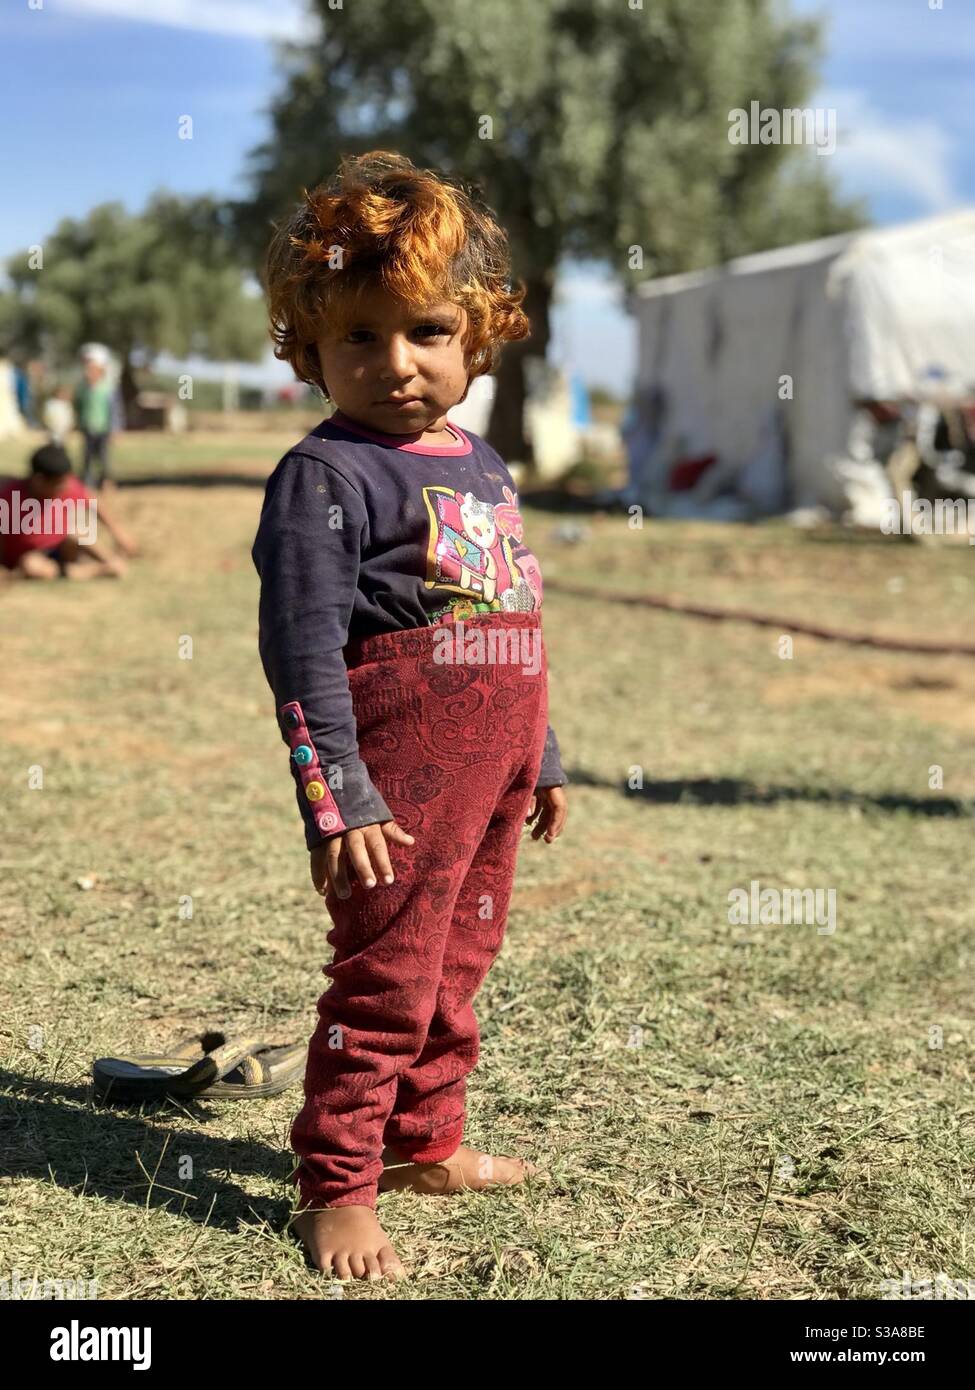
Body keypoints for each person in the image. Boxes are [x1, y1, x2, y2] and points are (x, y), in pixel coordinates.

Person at [253, 150, 569, 1283]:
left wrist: (546, 752)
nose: (397, 363)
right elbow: (301, 650)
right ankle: (334, 1181)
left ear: (476, 337)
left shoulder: (481, 462)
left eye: (427, 331)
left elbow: (510, 605)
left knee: (460, 964)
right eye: (359, 338)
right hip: (396, 783)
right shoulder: (324, 477)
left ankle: (423, 1142)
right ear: (310, 350)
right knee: (386, 976)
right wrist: (335, 792)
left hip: (495, 770)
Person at [0, 442, 137, 579]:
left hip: (63, 548)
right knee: (31, 565)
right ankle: (96, 571)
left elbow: (93, 504)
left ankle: (111, 561)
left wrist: (119, 534)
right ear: (39, 480)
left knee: (77, 533)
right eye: (59, 484)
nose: (65, 487)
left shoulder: (67, 486)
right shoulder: (10, 496)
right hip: (30, 557)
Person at [74, 355, 116, 489]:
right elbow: (78, 406)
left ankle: (105, 481)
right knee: (87, 456)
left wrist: (114, 428)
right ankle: (87, 482)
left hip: (102, 428)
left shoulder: (107, 389)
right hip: (87, 427)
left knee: (103, 457)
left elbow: (114, 410)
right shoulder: (82, 389)